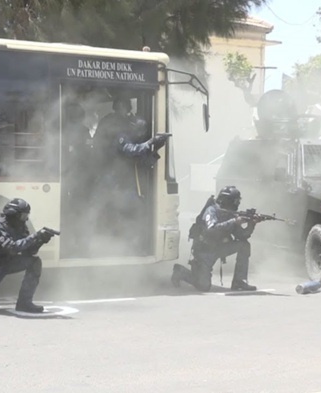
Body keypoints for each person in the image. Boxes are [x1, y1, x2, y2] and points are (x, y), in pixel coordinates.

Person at [93, 96, 170, 248]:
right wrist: (150, 142)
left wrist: (156, 146)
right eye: (128, 108)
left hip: (119, 177)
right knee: (123, 209)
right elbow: (131, 151)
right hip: (113, 177)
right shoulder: (117, 128)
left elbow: (142, 159)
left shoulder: (117, 124)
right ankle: (115, 243)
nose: (130, 113)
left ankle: (122, 242)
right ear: (122, 106)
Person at [171, 186, 259, 292]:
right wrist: (234, 221)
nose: (237, 204)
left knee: (244, 245)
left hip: (220, 248)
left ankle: (239, 281)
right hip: (205, 250)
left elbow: (242, 236)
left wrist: (251, 225)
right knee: (203, 286)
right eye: (235, 201)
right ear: (227, 200)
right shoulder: (211, 210)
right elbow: (211, 229)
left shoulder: (230, 214)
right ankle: (180, 272)